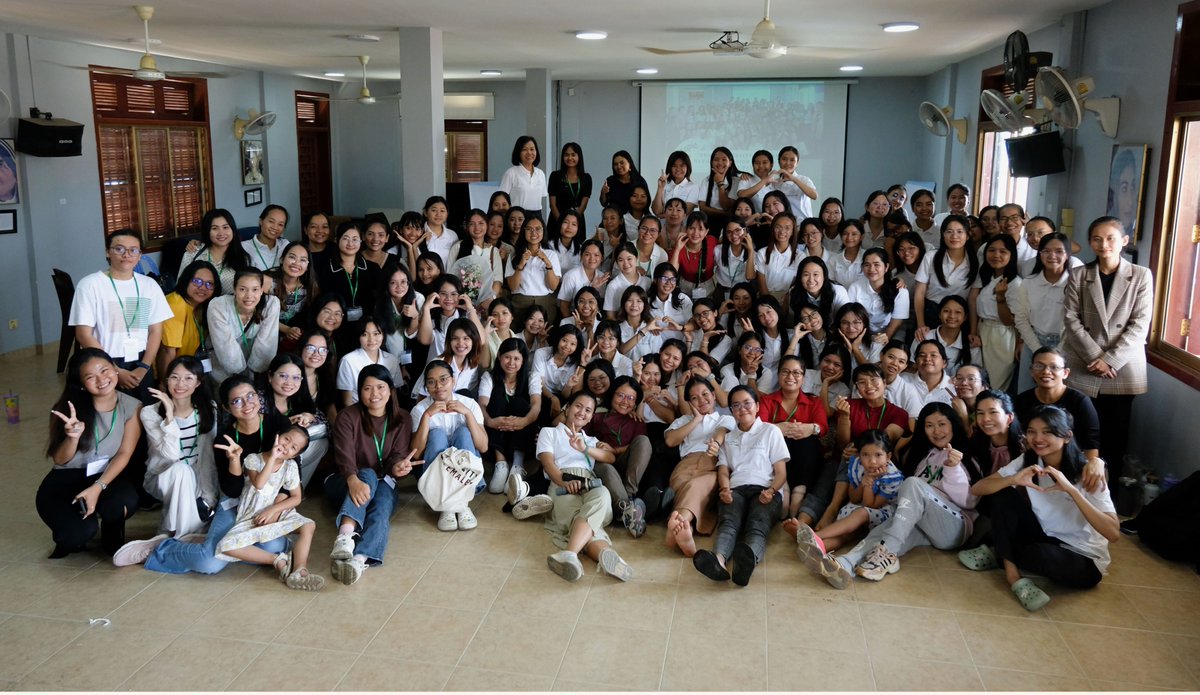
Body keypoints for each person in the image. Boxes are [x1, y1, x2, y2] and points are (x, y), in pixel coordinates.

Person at [116, 375, 291, 573]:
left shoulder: (279, 424)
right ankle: (164, 549)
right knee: (209, 563)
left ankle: (209, 541)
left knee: (274, 546)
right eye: (237, 401)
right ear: (226, 407)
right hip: (236, 504)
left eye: (250, 395)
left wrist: (275, 509)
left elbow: (292, 476)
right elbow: (232, 491)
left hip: (268, 504)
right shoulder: (224, 439)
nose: (247, 404)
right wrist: (234, 460)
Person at [959, 405, 1119, 611]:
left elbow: (1113, 533)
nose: (1038, 438)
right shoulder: (1029, 459)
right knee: (1002, 493)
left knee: (1042, 554)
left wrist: (1072, 490)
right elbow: (978, 489)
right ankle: (1013, 577)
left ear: (1067, 436)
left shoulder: (1088, 473)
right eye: (1032, 432)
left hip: (1083, 558)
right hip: (1043, 534)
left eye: (1047, 432)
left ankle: (999, 549)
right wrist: (1012, 479)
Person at [1062, 217, 1152, 472]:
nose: (1104, 244)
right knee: (1078, 433)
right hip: (1084, 364)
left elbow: (1140, 324)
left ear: (1124, 241)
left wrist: (1109, 360)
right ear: (1090, 242)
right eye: (1097, 239)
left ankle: (1107, 497)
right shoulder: (1079, 274)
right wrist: (1095, 357)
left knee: (1115, 437)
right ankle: (1076, 488)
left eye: (1111, 238)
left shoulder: (1141, 275)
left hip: (1121, 369)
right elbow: (1070, 318)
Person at [39, 349, 142, 558]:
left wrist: (98, 487)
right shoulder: (67, 409)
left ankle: (111, 532)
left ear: (115, 368)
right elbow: (60, 459)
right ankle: (77, 528)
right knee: (77, 535)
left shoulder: (131, 406)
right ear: (81, 382)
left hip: (104, 476)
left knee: (124, 500)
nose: (101, 379)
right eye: (90, 376)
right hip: (65, 479)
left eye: (105, 370)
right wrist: (72, 437)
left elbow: (124, 452)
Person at [325, 365, 417, 586]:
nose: (374, 394)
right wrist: (353, 479)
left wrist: (398, 468)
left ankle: (359, 560)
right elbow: (344, 456)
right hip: (342, 482)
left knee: (383, 502)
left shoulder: (403, 418)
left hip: (381, 481)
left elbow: (397, 456)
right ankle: (345, 537)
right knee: (365, 473)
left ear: (391, 391)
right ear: (359, 391)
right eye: (367, 388)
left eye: (380, 387)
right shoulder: (348, 416)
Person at [691, 386, 787, 586]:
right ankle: (718, 561)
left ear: (757, 406)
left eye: (747, 403)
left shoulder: (771, 431)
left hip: (765, 489)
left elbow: (781, 473)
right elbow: (724, 469)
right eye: (736, 405)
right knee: (728, 523)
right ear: (731, 410)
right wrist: (724, 489)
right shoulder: (728, 437)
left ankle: (748, 560)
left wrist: (770, 491)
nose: (742, 409)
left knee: (757, 525)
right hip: (736, 489)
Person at [213, 424, 323, 590]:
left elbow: (296, 497)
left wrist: (273, 509)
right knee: (226, 546)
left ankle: (300, 569)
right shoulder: (253, 459)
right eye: (287, 439)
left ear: (296, 454)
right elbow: (259, 484)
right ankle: (279, 561)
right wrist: (272, 458)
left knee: (309, 525)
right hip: (251, 515)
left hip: (274, 511)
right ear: (278, 436)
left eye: (293, 447)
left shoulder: (290, 467)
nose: (286, 446)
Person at [539, 391, 634, 583]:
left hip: (590, 483)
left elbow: (610, 457)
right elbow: (548, 464)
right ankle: (603, 554)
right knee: (582, 520)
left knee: (603, 494)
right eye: (578, 406)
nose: (582, 412)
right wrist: (564, 482)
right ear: (568, 408)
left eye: (588, 410)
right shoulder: (549, 432)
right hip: (562, 481)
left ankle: (569, 553)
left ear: (591, 417)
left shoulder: (589, 440)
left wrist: (585, 448)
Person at [70, 230, 173, 402]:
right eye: (119, 249)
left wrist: (144, 367)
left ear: (140, 255)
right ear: (107, 252)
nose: (127, 255)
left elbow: (155, 330)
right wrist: (114, 370)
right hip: (104, 364)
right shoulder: (90, 285)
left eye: (133, 250)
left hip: (141, 362)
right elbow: (83, 334)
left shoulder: (149, 285)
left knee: (146, 415)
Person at [140, 356, 218, 538]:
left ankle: (169, 533)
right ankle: (181, 537)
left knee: (188, 476)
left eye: (188, 378)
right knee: (181, 471)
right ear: (166, 380)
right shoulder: (150, 412)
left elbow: (207, 458)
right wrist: (169, 416)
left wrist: (209, 496)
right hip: (163, 475)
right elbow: (171, 454)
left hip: (198, 478)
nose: (180, 383)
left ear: (198, 383)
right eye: (174, 377)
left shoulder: (209, 409)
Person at [409, 360, 488, 530]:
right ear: (426, 387)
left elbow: (483, 447)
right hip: (436, 477)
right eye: (431, 382)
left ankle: (462, 503)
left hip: (465, 474)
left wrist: (467, 413)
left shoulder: (470, 404)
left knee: (463, 432)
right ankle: (447, 506)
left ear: (453, 380)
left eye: (444, 379)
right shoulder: (420, 409)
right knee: (436, 435)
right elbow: (416, 454)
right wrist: (427, 416)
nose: (438, 386)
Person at [759, 355, 829, 519]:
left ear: (803, 377)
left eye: (796, 373)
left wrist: (810, 428)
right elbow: (759, 428)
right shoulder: (767, 401)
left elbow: (823, 427)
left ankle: (799, 490)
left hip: (806, 457)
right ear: (778, 375)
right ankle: (784, 487)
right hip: (776, 459)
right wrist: (777, 428)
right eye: (786, 372)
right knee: (780, 440)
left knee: (807, 441)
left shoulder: (814, 401)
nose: (791, 377)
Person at [1014, 347, 1104, 472]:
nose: (1046, 371)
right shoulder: (1021, 400)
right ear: (1031, 371)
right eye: (1039, 366)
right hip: (1032, 463)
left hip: (1072, 463)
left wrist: (1090, 471)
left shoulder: (1080, 401)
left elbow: (1091, 445)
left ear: (1065, 373)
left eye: (1054, 367)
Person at [478, 338, 544, 500]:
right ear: (499, 356)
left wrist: (525, 421)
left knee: (521, 404)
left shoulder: (532, 376)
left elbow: (536, 405)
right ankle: (500, 464)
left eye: (516, 358)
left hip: (523, 430)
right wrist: (490, 421)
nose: (511, 363)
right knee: (497, 401)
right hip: (495, 427)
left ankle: (517, 464)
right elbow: (481, 405)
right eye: (507, 357)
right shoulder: (489, 376)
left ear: (523, 360)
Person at [1013, 232, 1073, 392]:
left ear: (1067, 255)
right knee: (1027, 393)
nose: (1052, 255)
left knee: (1058, 395)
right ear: (1039, 255)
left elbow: (1075, 321)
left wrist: (1059, 351)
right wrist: (1037, 349)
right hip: (1034, 342)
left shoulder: (1075, 284)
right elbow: (1021, 319)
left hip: (1065, 344)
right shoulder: (1028, 283)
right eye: (1046, 251)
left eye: (1059, 251)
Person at [259, 353, 328, 488]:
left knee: (321, 442)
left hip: (287, 453)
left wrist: (309, 417)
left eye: (296, 378)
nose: (290, 383)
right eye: (283, 376)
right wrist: (285, 424)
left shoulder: (298, 400)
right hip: (264, 453)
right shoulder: (258, 400)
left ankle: (296, 488)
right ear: (270, 376)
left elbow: (326, 426)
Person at [969, 234, 1022, 391]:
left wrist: (1000, 297)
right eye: (991, 250)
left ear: (1011, 255)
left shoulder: (1015, 283)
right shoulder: (985, 275)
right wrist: (973, 332)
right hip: (982, 329)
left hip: (1002, 335)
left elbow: (1008, 321)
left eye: (1003, 251)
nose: (996, 255)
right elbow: (972, 301)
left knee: (996, 386)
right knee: (977, 382)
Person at [207, 268, 280, 383]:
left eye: (255, 289)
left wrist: (256, 373)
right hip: (222, 368)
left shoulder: (271, 304)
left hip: (255, 373)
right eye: (242, 289)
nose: (249, 296)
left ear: (261, 290)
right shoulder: (218, 305)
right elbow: (225, 346)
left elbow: (267, 343)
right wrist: (240, 376)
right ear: (234, 289)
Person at [914, 214, 978, 335]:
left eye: (960, 232)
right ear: (943, 234)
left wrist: (973, 331)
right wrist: (921, 324)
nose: (954, 236)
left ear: (967, 235)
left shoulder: (975, 263)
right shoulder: (931, 257)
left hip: (959, 317)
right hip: (931, 312)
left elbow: (972, 299)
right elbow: (920, 293)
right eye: (949, 231)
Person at [316, 220, 381, 329]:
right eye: (345, 238)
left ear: (361, 241)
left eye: (355, 239)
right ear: (337, 240)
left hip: (366, 327)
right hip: (335, 326)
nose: (351, 244)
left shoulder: (372, 269)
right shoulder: (325, 269)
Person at [158, 260, 219, 375]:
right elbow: (167, 351)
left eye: (209, 284)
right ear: (186, 280)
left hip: (187, 371)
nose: (203, 287)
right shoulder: (176, 304)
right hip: (169, 374)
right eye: (197, 281)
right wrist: (166, 383)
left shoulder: (204, 306)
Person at [505, 215, 562, 322]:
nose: (533, 232)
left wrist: (547, 263)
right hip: (521, 301)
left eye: (538, 229)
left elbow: (553, 286)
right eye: (529, 229)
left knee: (546, 336)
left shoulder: (551, 255)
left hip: (545, 302)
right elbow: (513, 287)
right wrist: (521, 264)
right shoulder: (514, 255)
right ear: (523, 231)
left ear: (543, 231)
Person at [336, 316, 403, 406]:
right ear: (358, 337)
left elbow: (394, 395)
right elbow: (347, 401)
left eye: (376, 334)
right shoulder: (348, 361)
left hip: (385, 413)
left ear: (383, 335)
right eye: (365, 334)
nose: (371, 339)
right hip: (359, 414)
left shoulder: (392, 360)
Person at [182, 209, 250, 293]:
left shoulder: (243, 258)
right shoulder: (193, 254)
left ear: (233, 229)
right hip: (198, 305)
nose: (221, 233)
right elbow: (181, 287)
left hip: (229, 305)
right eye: (214, 228)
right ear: (207, 231)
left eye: (225, 227)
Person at [269, 241, 320, 352]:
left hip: (293, 341)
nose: (297, 263)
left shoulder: (309, 288)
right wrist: (286, 329)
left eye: (302, 260)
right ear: (282, 259)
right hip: (266, 336)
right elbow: (257, 315)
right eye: (292, 257)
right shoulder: (267, 281)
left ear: (307, 266)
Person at [499, 135, 548, 218]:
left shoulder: (540, 174)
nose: (529, 153)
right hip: (518, 217)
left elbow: (542, 195)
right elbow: (502, 198)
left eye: (532, 149)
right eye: (524, 149)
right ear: (518, 152)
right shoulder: (511, 173)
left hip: (537, 216)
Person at [548, 142, 592, 230]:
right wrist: (562, 222)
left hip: (577, 221)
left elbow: (584, 204)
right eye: (566, 155)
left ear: (579, 156)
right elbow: (552, 204)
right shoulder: (555, 176)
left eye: (573, 155)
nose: (570, 158)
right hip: (557, 219)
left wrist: (572, 223)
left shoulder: (586, 178)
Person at [599, 150, 648, 214]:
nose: (619, 166)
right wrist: (603, 193)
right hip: (616, 219)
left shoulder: (639, 181)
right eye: (615, 164)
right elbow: (604, 203)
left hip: (634, 219)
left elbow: (646, 203)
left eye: (622, 163)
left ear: (629, 164)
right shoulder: (610, 181)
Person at [652, 150, 698, 215]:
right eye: (674, 166)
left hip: (683, 225)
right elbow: (657, 211)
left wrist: (663, 215)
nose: (678, 169)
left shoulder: (693, 187)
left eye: (682, 165)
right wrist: (660, 188)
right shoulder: (664, 185)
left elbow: (686, 211)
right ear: (670, 167)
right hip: (663, 224)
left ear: (687, 167)